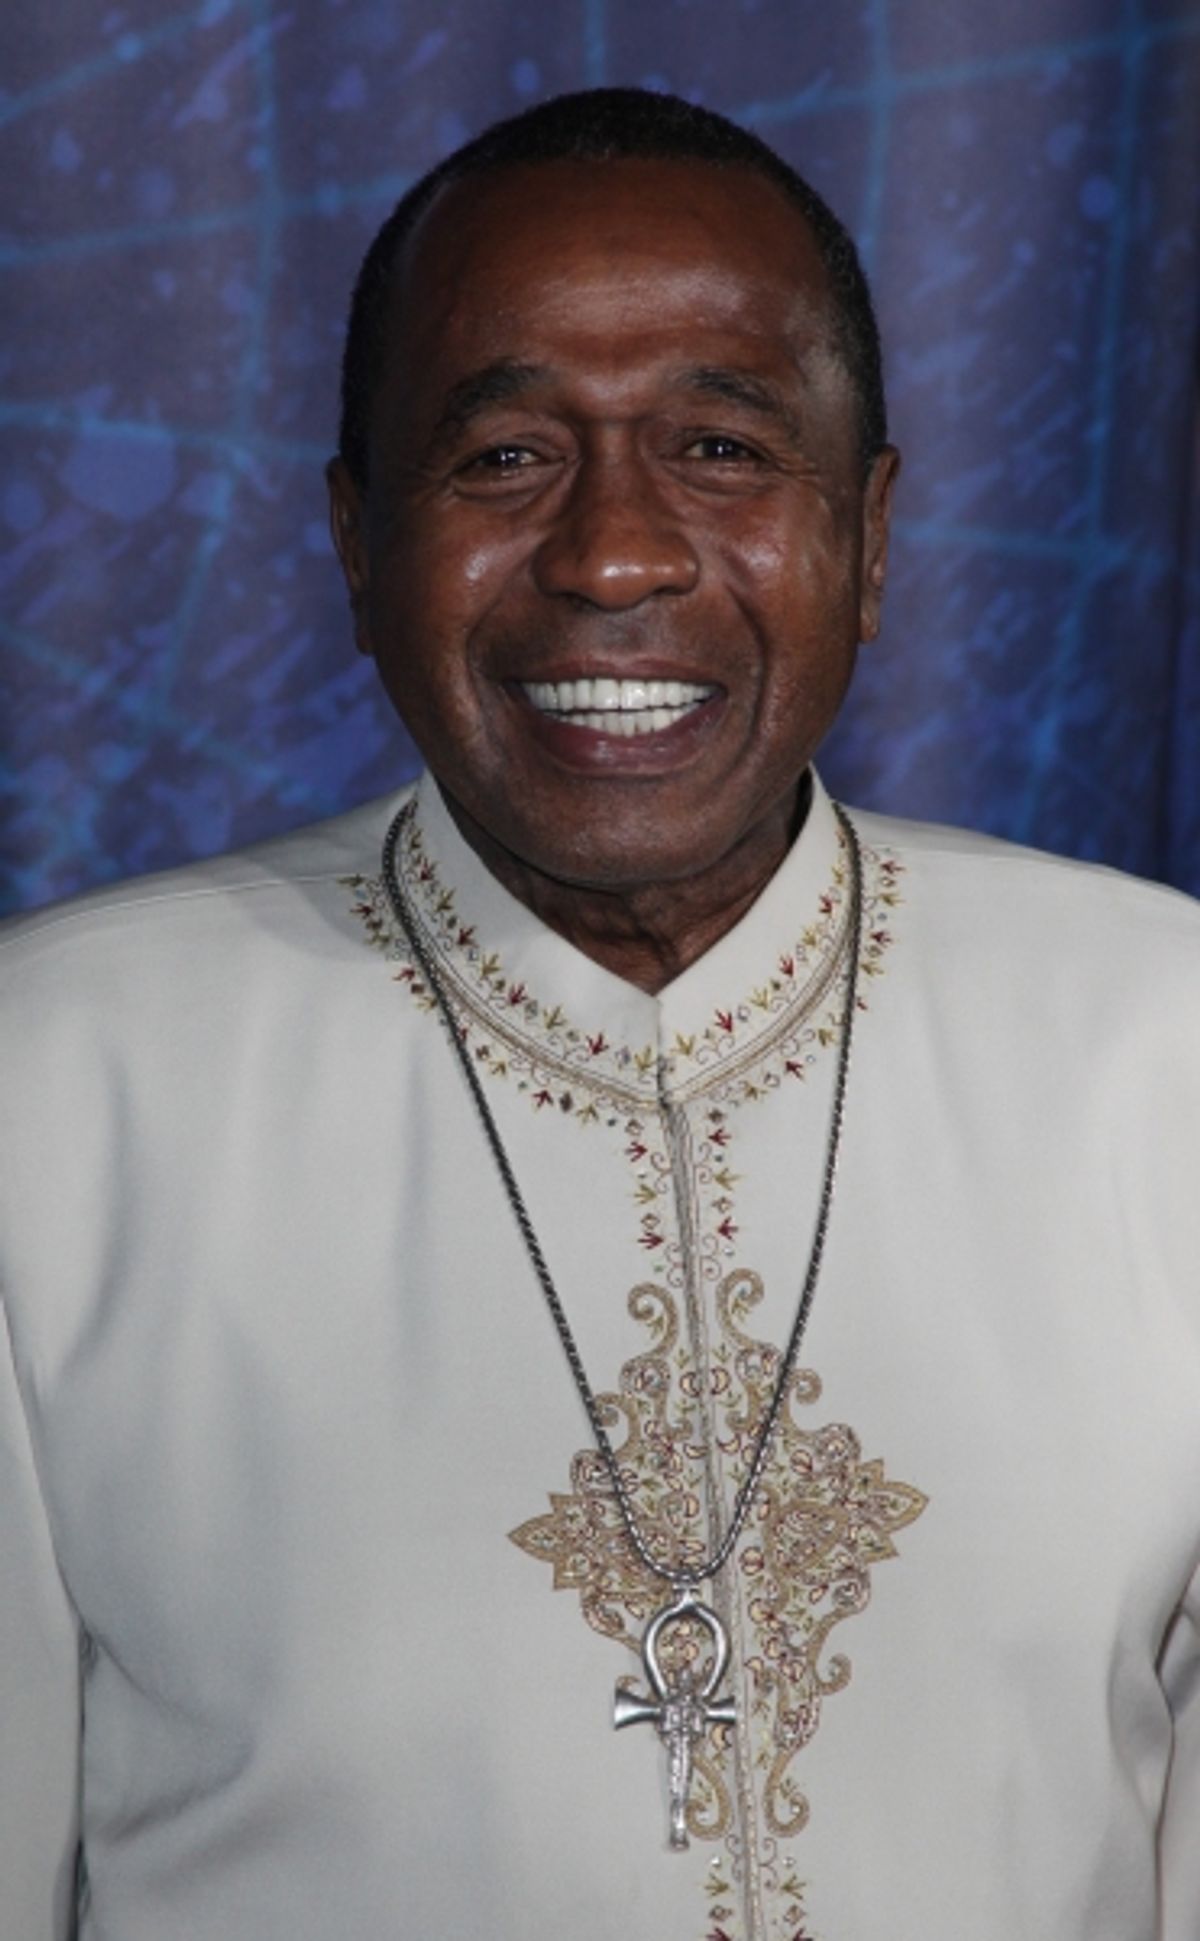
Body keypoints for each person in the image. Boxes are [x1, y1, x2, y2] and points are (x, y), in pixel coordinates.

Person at [1, 86, 1197, 1941]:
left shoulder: (1160, 1048)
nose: (615, 555)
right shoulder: (54, 1086)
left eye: (721, 448)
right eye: (502, 459)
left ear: (871, 535)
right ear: (355, 544)